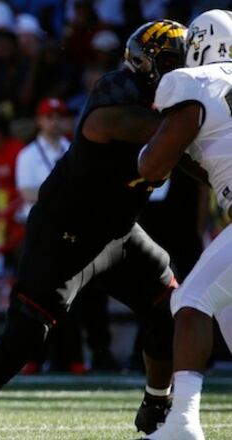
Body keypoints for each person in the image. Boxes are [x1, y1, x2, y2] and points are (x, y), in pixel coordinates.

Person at [0, 20, 186, 439]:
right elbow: (141, 129)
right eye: (174, 62)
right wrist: (200, 120)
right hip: (66, 233)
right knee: (27, 334)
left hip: (120, 232)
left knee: (170, 305)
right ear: (146, 65)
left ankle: (157, 402)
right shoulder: (118, 94)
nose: (182, 71)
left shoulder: (179, 109)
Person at [138, 10, 232, 440]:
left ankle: (182, 422)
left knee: (189, 300)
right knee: (227, 311)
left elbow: (153, 166)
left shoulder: (192, 81)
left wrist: (148, 146)